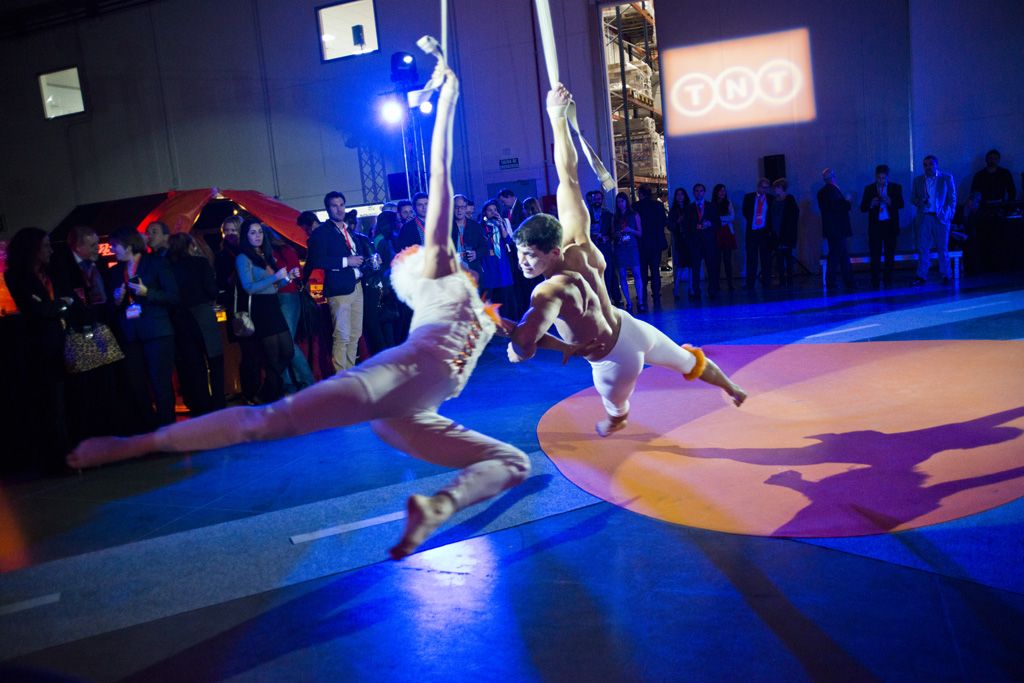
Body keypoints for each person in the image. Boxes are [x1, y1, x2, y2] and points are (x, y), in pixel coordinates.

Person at [68, 65, 533, 561]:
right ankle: (131, 446)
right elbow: (439, 175)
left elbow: (526, 334)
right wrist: (447, 106)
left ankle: (440, 507)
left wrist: (581, 335)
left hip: (411, 412)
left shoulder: (476, 309)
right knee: (266, 421)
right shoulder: (439, 274)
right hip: (394, 377)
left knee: (512, 461)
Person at [507, 83, 747, 438]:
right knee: (686, 360)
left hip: (613, 360)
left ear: (552, 252)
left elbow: (524, 349)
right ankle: (732, 388)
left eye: (531, 255)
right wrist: (556, 117)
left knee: (617, 410)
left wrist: (514, 343)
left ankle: (620, 418)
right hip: (630, 328)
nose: (524, 262)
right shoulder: (579, 243)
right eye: (520, 254)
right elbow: (567, 176)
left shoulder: (548, 292)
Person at [4, 227, 71, 468]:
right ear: (32, 249)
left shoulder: (48, 273)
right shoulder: (17, 276)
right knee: (50, 404)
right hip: (39, 348)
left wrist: (54, 307)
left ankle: (65, 453)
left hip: (58, 341)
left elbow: (47, 306)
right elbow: (37, 310)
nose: (50, 251)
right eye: (45, 246)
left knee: (61, 402)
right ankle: (57, 459)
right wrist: (59, 306)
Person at [107, 226, 180, 428]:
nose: (113, 250)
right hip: (130, 335)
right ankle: (149, 430)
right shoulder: (115, 271)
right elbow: (110, 307)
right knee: (137, 384)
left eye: (115, 246)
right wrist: (116, 300)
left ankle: (168, 431)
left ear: (129, 245)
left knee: (160, 383)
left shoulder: (156, 263)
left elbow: (173, 297)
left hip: (157, 332)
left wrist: (148, 292)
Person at [305, 191, 373, 371]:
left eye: (341, 204)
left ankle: (349, 373)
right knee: (342, 336)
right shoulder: (321, 233)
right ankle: (340, 378)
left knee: (355, 334)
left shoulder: (349, 231)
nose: (339, 209)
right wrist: (345, 262)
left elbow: (354, 256)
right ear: (328, 209)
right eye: (334, 205)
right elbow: (316, 260)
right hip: (339, 289)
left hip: (357, 285)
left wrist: (366, 262)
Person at [237, 220, 295, 402]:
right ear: (245, 236)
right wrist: (275, 278)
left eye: (260, 232)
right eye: (253, 232)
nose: (257, 236)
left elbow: (275, 286)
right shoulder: (243, 257)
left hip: (272, 304)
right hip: (260, 307)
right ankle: (270, 394)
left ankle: (266, 392)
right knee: (272, 355)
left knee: (287, 352)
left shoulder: (265, 254)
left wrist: (287, 278)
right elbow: (249, 287)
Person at [167, 232, 225, 414]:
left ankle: (202, 406)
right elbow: (211, 290)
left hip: (180, 319)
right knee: (215, 361)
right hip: (202, 314)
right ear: (190, 245)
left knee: (195, 364)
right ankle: (218, 403)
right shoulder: (200, 263)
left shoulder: (169, 267)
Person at [267, 227, 315, 391]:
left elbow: (297, 273)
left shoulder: (283, 250)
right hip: (272, 299)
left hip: (288, 296)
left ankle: (306, 381)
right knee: (282, 343)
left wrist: (284, 277)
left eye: (260, 234)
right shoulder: (261, 256)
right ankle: (291, 383)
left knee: (287, 341)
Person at [911, 154, 956, 285]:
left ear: (936, 165)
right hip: (924, 217)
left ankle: (946, 275)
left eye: (931, 164)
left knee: (943, 248)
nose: (928, 167)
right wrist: (920, 201)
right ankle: (921, 276)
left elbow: (952, 198)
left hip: (941, 217)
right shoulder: (918, 180)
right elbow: (912, 198)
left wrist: (950, 214)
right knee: (923, 248)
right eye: (925, 165)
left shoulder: (946, 178)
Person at [859, 165, 903, 288]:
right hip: (875, 227)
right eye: (879, 178)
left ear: (888, 177)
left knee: (890, 254)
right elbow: (862, 207)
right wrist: (870, 204)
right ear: (875, 177)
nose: (881, 180)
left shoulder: (895, 188)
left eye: (884, 178)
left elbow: (901, 204)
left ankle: (888, 279)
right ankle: (875, 280)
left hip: (890, 226)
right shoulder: (869, 189)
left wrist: (890, 202)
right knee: (875, 254)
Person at [817, 168, 855, 290]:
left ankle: (846, 281)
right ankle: (833, 282)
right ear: (833, 176)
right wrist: (848, 201)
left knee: (841, 255)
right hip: (838, 229)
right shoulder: (832, 191)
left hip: (832, 230)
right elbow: (838, 208)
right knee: (837, 255)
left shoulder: (822, 192)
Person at [633, 185, 668, 311]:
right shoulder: (658, 206)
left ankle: (642, 294)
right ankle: (656, 294)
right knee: (655, 270)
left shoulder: (635, 207)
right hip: (656, 243)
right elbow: (664, 222)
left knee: (642, 272)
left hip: (641, 243)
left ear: (640, 194)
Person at [683, 183, 721, 300]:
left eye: (701, 191)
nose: (699, 193)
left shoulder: (711, 206)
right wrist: (690, 240)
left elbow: (718, 224)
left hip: (709, 242)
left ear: (704, 192)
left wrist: (710, 224)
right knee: (695, 268)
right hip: (695, 243)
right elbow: (686, 226)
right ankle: (696, 291)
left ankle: (712, 290)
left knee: (711, 267)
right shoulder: (689, 208)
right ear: (693, 193)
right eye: (696, 191)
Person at [587, 189, 621, 306]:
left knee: (610, 273)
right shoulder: (586, 215)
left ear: (602, 200)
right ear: (591, 199)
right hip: (591, 249)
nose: (597, 200)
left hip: (605, 248)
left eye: (599, 198)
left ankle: (615, 298)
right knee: (594, 275)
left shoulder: (608, 215)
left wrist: (607, 237)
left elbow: (613, 232)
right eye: (595, 198)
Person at [742, 178, 775, 290]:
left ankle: (767, 283)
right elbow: (745, 212)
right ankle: (750, 284)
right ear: (758, 187)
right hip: (752, 232)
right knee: (751, 258)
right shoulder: (749, 197)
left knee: (766, 259)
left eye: (767, 188)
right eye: (763, 187)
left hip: (764, 233)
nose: (765, 190)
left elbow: (771, 215)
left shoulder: (771, 199)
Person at [612, 191, 642, 312]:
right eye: (618, 202)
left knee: (637, 274)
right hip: (620, 248)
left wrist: (631, 230)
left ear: (626, 201)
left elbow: (640, 233)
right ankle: (628, 302)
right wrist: (616, 235)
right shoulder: (615, 217)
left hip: (632, 247)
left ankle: (640, 301)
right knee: (623, 276)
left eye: (622, 201)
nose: (620, 204)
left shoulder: (634, 215)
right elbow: (613, 233)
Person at [770, 179, 800, 287]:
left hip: (786, 234)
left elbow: (793, 216)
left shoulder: (789, 199)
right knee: (779, 259)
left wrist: (787, 232)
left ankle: (790, 280)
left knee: (788, 257)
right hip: (776, 233)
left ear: (782, 188)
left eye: (776, 188)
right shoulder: (774, 201)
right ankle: (782, 281)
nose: (775, 190)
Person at [712, 184, 738, 291]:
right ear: (716, 192)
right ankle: (716, 284)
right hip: (715, 233)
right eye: (720, 191)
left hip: (727, 233)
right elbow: (711, 218)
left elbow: (732, 217)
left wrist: (719, 219)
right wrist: (723, 219)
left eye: (724, 190)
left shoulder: (728, 203)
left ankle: (730, 284)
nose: (722, 193)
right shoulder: (712, 204)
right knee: (716, 261)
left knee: (727, 260)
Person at [666, 187, 691, 299]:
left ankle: (691, 287)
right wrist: (677, 222)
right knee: (679, 266)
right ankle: (676, 288)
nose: (680, 197)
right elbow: (670, 226)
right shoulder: (673, 211)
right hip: (679, 240)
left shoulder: (689, 209)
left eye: (682, 194)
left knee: (691, 265)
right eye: (678, 195)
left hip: (690, 240)